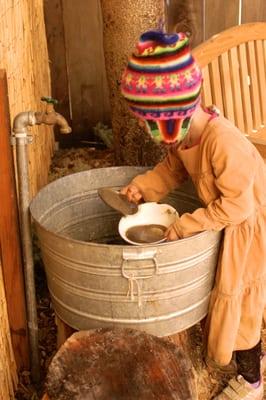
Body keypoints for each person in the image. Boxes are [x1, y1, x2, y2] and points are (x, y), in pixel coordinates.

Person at [120, 29, 266, 399]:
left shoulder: (224, 143)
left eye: (146, 122)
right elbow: (172, 170)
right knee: (229, 296)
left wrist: (186, 225)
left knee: (240, 301)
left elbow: (238, 206)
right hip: (228, 219)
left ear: (169, 118)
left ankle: (252, 379)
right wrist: (144, 188)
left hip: (248, 226)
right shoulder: (187, 136)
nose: (143, 127)